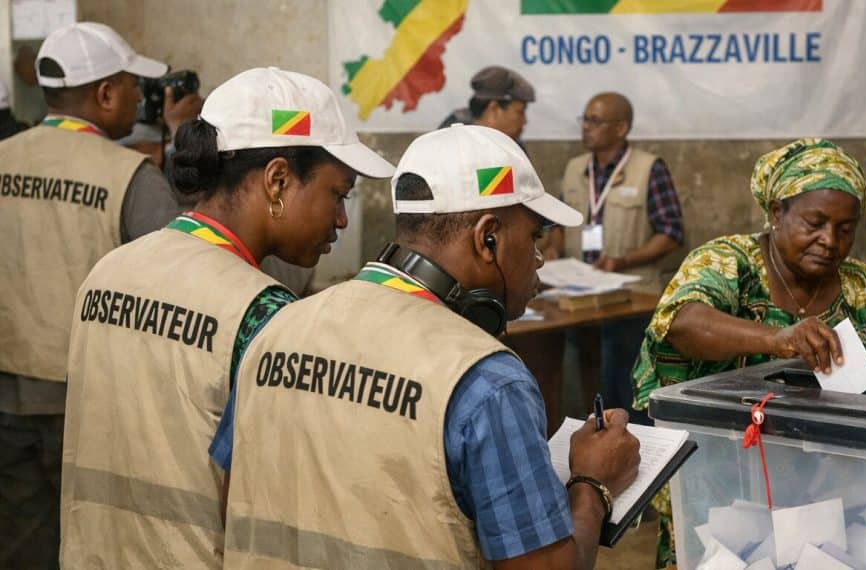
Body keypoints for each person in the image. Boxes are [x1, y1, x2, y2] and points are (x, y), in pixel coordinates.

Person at [212, 124, 640, 569]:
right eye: (534, 237)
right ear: (486, 237)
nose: (539, 259)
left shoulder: (277, 329)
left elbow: (232, 501)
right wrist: (592, 484)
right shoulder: (488, 381)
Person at [59, 67, 395, 568]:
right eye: (338, 193)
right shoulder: (261, 313)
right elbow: (271, 497)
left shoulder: (109, 271)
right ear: (278, 179)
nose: (342, 219)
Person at [631, 138, 866, 569]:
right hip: (721, 488)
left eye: (845, 228)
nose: (830, 241)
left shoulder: (863, 287)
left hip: (834, 492)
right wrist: (777, 339)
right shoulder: (729, 262)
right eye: (815, 222)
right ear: (777, 212)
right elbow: (682, 324)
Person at [0, 22, 198, 568]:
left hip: (8, 399)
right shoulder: (129, 175)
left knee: (21, 542)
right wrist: (182, 143)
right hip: (93, 405)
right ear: (105, 93)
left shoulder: (5, 156)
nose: (141, 98)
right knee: (99, 543)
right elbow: (186, 270)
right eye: (133, 85)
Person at [545, 91, 684, 424]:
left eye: (595, 121)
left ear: (621, 128)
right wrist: (552, 247)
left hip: (631, 300)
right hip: (580, 300)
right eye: (585, 119)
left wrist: (621, 262)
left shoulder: (648, 168)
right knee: (592, 384)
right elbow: (562, 222)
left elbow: (670, 233)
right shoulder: (575, 168)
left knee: (627, 386)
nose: (586, 128)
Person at [439, 65, 534, 146]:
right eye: (520, 112)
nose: (525, 121)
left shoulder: (512, 144)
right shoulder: (453, 142)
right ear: (494, 109)